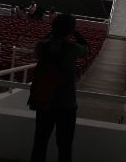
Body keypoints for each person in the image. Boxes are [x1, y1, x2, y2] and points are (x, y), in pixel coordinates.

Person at [28, 13, 88, 162]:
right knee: (65, 147)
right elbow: (86, 50)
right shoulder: (72, 48)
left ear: (53, 27)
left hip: (44, 101)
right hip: (66, 104)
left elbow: (40, 47)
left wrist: (52, 33)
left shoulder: (42, 46)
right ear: (70, 30)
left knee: (40, 143)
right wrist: (77, 35)